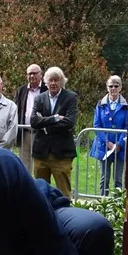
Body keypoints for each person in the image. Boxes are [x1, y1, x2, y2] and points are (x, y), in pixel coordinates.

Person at [31, 66, 78, 197]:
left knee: (64, 193)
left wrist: (45, 125)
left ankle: (65, 215)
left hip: (62, 154)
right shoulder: (39, 98)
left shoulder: (70, 97)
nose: (53, 83)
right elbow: (34, 121)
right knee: (40, 192)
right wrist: (55, 118)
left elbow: (69, 122)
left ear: (62, 81)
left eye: (56, 80)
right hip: (41, 153)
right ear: (45, 82)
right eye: (50, 80)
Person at [89, 75, 128, 194]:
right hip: (104, 147)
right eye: (111, 86)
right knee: (104, 178)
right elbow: (96, 125)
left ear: (120, 87)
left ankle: (116, 207)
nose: (113, 88)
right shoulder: (100, 104)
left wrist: (119, 143)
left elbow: (127, 126)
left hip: (120, 148)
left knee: (118, 180)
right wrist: (108, 143)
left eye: (116, 86)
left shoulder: (126, 106)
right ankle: (103, 202)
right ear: (107, 87)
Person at [14, 64, 46, 172]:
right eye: (29, 73)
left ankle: (38, 187)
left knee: (39, 165)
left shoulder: (47, 89)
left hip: (41, 133)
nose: (32, 76)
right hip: (24, 133)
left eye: (34, 73)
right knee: (24, 165)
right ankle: (25, 187)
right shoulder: (21, 90)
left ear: (41, 75)